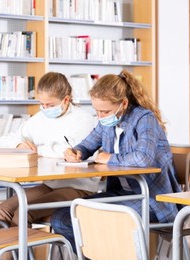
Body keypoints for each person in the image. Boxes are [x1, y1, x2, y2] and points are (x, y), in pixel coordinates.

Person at [50, 70, 181, 249]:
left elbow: (143, 159)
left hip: (152, 200)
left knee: (92, 220)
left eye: (105, 111)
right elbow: (87, 145)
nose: (100, 116)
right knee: (62, 218)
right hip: (121, 194)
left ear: (123, 104)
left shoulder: (144, 119)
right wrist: (76, 152)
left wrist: (110, 158)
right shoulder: (107, 123)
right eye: (97, 111)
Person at [0, 72, 99, 227]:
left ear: (66, 100)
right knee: (2, 210)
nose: (45, 108)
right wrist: (18, 145)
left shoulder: (84, 120)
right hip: (50, 185)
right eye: (42, 104)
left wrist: (38, 150)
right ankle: (6, 252)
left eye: (50, 105)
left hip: (79, 188)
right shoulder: (39, 119)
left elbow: (70, 151)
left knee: (22, 213)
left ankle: (13, 251)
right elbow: (5, 140)